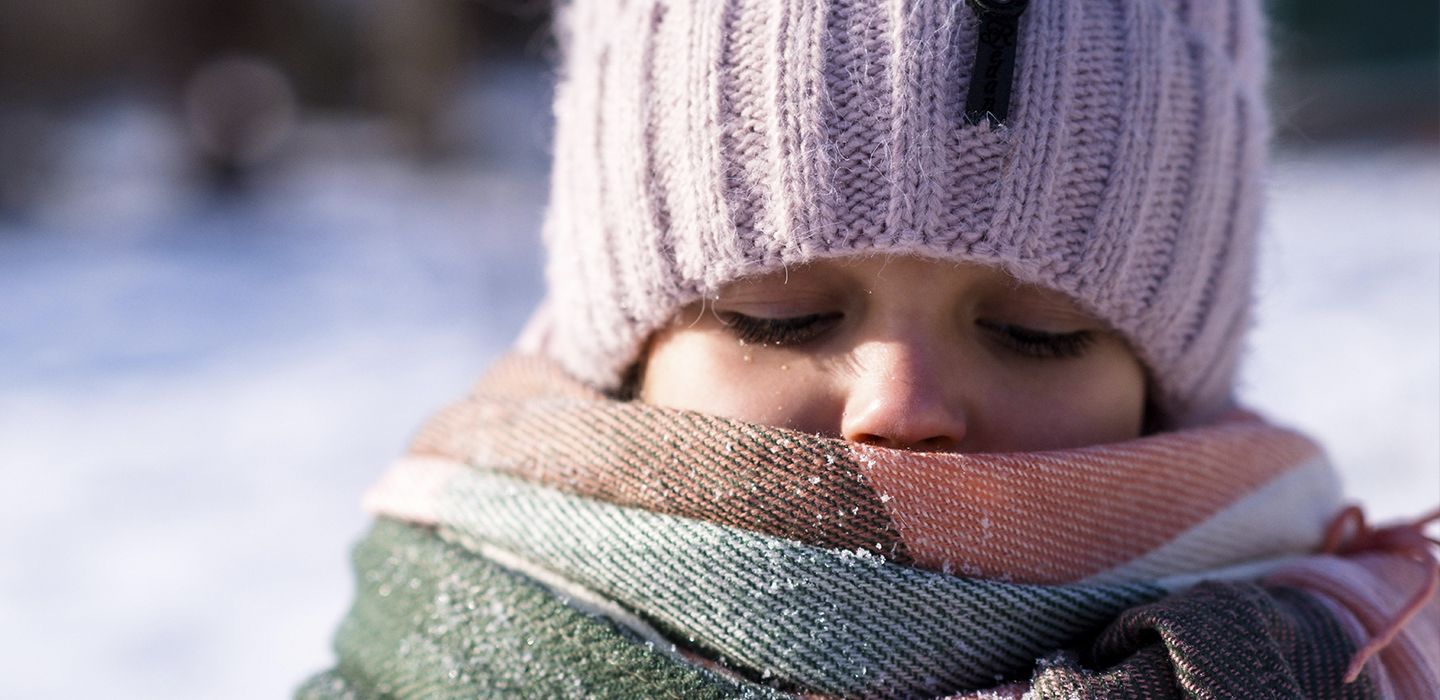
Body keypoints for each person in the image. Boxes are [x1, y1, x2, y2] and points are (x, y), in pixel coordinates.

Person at [298, 0, 1439, 697]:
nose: (901, 405)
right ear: (625, 357)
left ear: (1164, 389)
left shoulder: (1346, 662)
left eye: (1036, 334)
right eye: (782, 314)